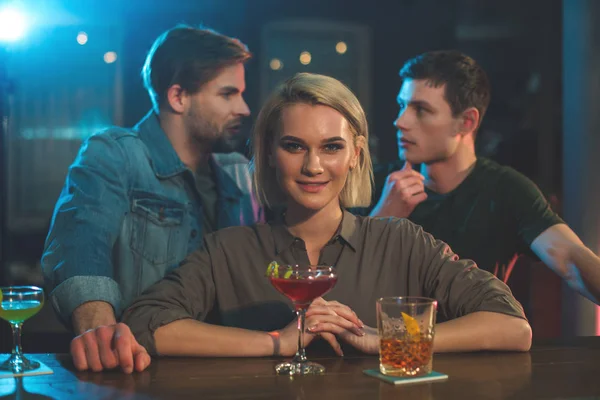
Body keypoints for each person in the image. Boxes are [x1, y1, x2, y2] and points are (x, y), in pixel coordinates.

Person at [111, 72, 530, 371]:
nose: (313, 165)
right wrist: (275, 342)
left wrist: (387, 339)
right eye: (294, 146)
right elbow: (144, 324)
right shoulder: (228, 249)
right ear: (270, 153)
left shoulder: (402, 242)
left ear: (356, 155)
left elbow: (512, 327)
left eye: (332, 147)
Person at [41, 25, 262, 372]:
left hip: (229, 365)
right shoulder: (116, 154)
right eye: (228, 94)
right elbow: (80, 241)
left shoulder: (237, 174)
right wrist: (101, 331)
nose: (244, 108)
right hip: (140, 368)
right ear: (178, 97)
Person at [365, 50, 600, 304]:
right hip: (391, 341)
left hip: (478, 339)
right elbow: (331, 278)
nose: (400, 121)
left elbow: (570, 258)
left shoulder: (505, 189)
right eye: (402, 105)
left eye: (421, 110)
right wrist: (381, 219)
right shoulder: (375, 183)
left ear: (467, 121)